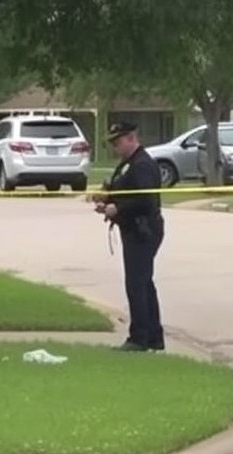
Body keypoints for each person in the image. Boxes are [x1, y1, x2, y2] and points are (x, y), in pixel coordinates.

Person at [93, 122, 165, 352]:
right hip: (133, 228)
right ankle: (153, 336)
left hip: (143, 229)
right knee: (144, 282)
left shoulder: (142, 164)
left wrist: (119, 208)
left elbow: (146, 200)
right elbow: (125, 191)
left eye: (118, 142)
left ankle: (139, 338)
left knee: (137, 284)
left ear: (132, 138)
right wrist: (106, 199)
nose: (115, 147)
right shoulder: (128, 164)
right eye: (113, 143)